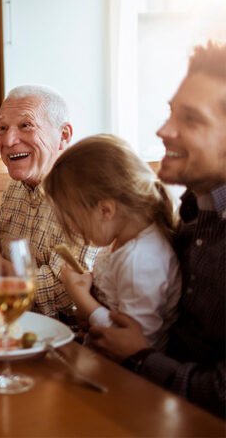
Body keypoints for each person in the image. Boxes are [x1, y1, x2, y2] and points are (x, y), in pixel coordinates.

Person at [89, 42, 225, 418]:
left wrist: (139, 357)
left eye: (191, 119)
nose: (163, 130)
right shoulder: (198, 207)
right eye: (171, 113)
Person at [0, 85, 100, 319]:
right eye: (2, 128)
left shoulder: (86, 195)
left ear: (63, 135)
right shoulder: (17, 185)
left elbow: (62, 296)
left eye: (26, 126)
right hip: (15, 322)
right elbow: (7, 250)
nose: (8, 140)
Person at [42, 134, 181, 348]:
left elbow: (134, 344)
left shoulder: (140, 260)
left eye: (74, 219)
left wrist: (82, 299)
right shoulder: (121, 241)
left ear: (106, 210)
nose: (73, 229)